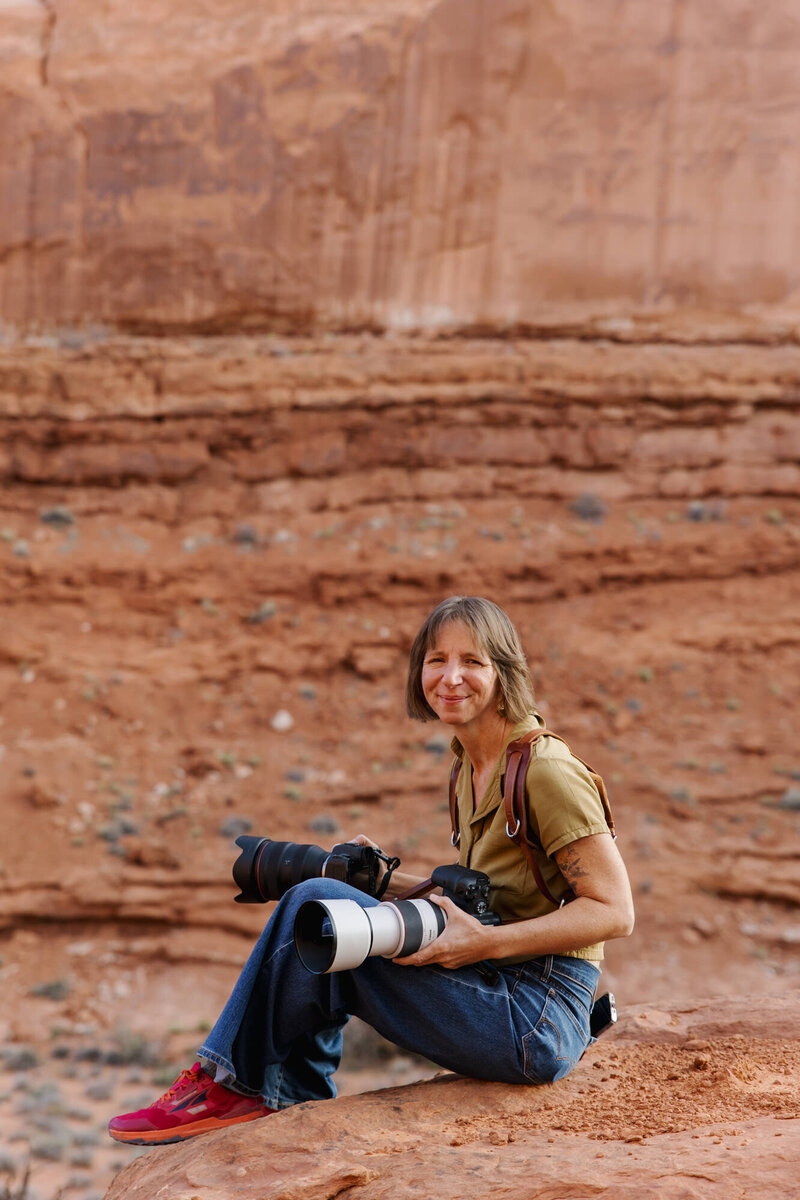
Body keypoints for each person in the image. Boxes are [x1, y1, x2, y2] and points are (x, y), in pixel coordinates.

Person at [108, 595, 634, 1145]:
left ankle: (236, 1085)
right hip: (500, 985)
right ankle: (286, 1096)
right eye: (437, 660)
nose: (451, 677)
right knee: (332, 904)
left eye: (473, 662)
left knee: (318, 908)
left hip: (538, 1014)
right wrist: (380, 881)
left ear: (505, 671)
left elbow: (615, 911)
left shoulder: (545, 771)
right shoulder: (472, 763)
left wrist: (484, 946)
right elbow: (493, 897)